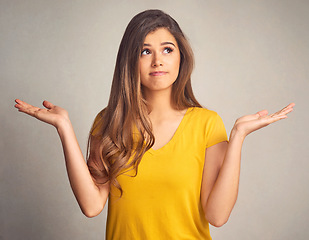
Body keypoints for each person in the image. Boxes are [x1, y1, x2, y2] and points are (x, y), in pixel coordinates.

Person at [14, 9, 294, 240]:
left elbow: (217, 216)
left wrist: (238, 137)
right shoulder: (109, 121)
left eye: (167, 49)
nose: (158, 60)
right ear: (130, 60)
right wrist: (64, 127)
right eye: (145, 51)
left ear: (181, 56)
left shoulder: (206, 124)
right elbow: (91, 205)